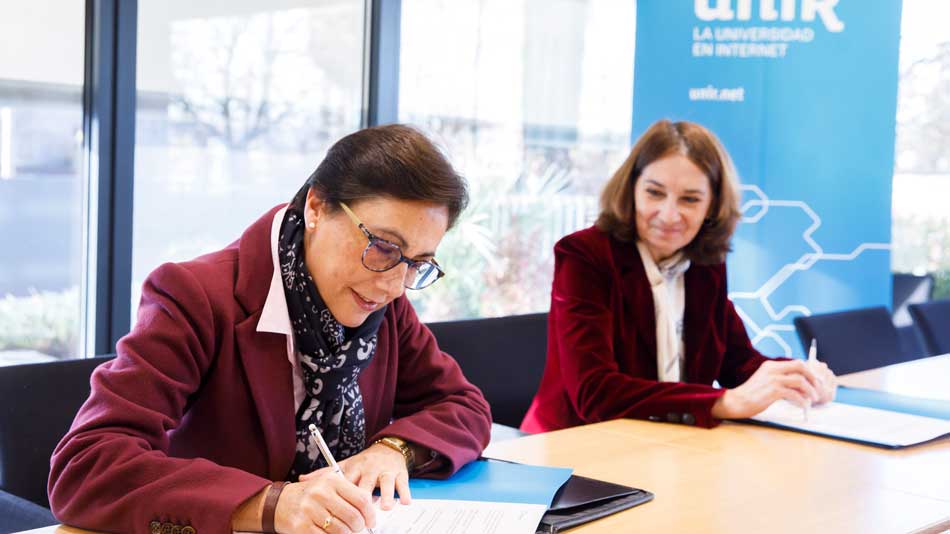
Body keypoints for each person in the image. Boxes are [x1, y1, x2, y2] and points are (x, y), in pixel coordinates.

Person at [49, 125, 492, 534]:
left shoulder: (382, 301)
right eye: (382, 246)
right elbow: (87, 465)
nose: (395, 283)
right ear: (317, 207)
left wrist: (393, 448)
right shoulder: (196, 297)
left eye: (418, 262)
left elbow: (463, 405)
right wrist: (271, 503)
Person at [521, 119, 837, 433]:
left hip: (670, 443)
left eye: (690, 199)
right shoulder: (585, 256)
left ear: (712, 206)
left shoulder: (705, 262)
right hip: (576, 447)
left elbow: (738, 364)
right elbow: (595, 392)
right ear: (631, 190)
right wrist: (721, 403)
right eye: (655, 193)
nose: (670, 215)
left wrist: (795, 377)